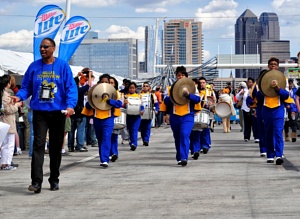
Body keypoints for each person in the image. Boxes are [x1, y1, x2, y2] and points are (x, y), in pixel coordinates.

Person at [13, 37, 78, 193]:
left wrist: (70, 106)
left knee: (55, 148)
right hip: (40, 113)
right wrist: (19, 97)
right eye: (41, 47)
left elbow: (71, 88)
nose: (42, 49)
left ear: (53, 48)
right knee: (38, 145)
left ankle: (54, 179)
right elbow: (26, 87)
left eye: (46, 47)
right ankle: (36, 182)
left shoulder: (62, 66)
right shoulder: (34, 67)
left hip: (58, 112)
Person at [162, 66, 200, 166]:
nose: (180, 77)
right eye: (179, 75)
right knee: (177, 137)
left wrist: (188, 95)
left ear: (186, 77)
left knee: (184, 134)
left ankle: (184, 157)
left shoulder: (192, 87)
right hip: (174, 116)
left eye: (183, 75)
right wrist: (174, 95)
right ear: (176, 76)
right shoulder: (170, 88)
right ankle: (179, 157)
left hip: (187, 115)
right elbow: (165, 101)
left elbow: (197, 99)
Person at [82, 74, 122, 167]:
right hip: (97, 118)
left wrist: (109, 101)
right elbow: (88, 105)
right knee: (100, 138)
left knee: (106, 137)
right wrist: (92, 100)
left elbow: (119, 104)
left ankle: (104, 159)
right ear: (99, 83)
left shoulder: (114, 92)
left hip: (108, 118)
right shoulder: (95, 92)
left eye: (106, 82)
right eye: (102, 82)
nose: (104, 83)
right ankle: (103, 157)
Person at [256, 57, 290, 165]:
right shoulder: (262, 79)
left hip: (278, 108)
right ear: (268, 66)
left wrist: (278, 88)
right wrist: (264, 88)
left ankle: (279, 155)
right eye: (271, 64)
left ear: (278, 66)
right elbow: (258, 97)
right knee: (268, 132)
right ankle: (270, 154)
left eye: (275, 64)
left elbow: (286, 95)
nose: (273, 66)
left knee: (278, 132)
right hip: (266, 108)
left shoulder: (284, 79)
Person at [0, 74, 22, 170]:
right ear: (8, 84)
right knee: (8, 144)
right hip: (7, 121)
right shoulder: (5, 94)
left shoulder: (4, 93)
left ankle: (7, 162)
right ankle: (5, 163)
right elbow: (7, 109)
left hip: (8, 121)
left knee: (8, 144)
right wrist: (16, 105)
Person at [123, 82, 144, 151]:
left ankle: (134, 144)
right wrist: (124, 103)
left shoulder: (139, 96)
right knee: (129, 129)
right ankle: (131, 142)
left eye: (133, 88)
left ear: (135, 89)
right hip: (128, 115)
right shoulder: (125, 96)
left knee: (134, 129)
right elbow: (123, 106)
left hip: (137, 116)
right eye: (130, 88)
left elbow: (142, 105)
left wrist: (142, 110)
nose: (132, 89)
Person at [139, 82, 159, 146]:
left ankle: (146, 140)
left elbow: (156, 103)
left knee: (147, 127)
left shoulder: (152, 95)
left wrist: (156, 109)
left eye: (147, 86)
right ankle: (143, 139)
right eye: (144, 86)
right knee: (142, 128)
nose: (145, 87)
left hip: (149, 113)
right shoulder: (139, 95)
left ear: (149, 88)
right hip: (141, 114)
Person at [109, 76, 123, 162]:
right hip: (105, 117)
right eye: (108, 83)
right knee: (107, 136)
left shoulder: (118, 93)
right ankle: (110, 153)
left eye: (112, 83)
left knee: (114, 136)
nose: (110, 84)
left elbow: (120, 104)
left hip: (116, 117)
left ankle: (114, 153)